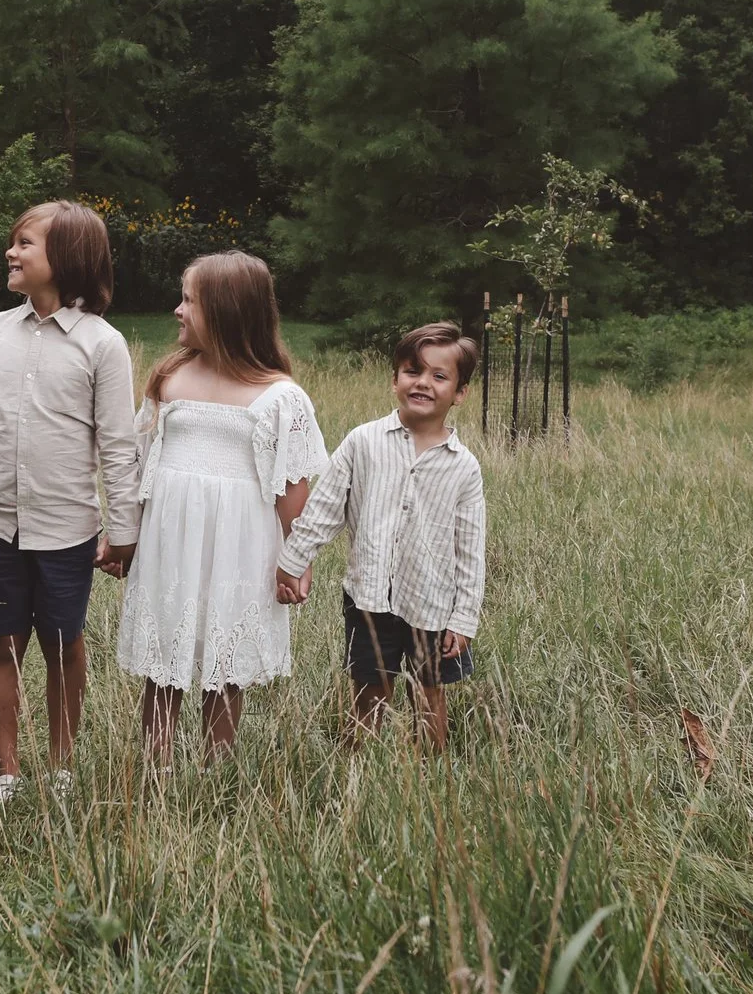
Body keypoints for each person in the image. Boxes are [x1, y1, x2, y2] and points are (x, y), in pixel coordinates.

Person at [0, 202, 141, 803]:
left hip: (67, 529)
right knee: (1, 641)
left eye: (25, 243)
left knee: (63, 643)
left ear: (67, 259)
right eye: (13, 241)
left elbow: (119, 447)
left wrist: (124, 530)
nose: (11, 252)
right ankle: (6, 772)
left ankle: (62, 766)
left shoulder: (103, 346)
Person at [117, 251, 327, 763]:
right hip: (172, 540)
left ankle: (217, 767)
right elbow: (140, 464)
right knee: (163, 661)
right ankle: (156, 768)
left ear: (228, 311)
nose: (177, 310)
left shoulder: (280, 397)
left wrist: (295, 562)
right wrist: (123, 533)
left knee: (225, 658)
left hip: (239, 545)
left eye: (189, 300)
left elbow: (292, 491)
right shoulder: (169, 379)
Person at [275, 322, 486, 749]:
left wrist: (463, 618)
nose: (423, 382)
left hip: (432, 601)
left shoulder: (464, 467)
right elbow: (324, 508)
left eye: (439, 376)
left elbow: (470, 548)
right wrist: (291, 562)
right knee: (370, 690)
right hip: (368, 597)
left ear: (460, 392)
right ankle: (357, 770)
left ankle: (431, 771)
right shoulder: (363, 442)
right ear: (395, 380)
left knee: (428, 692)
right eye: (412, 371)